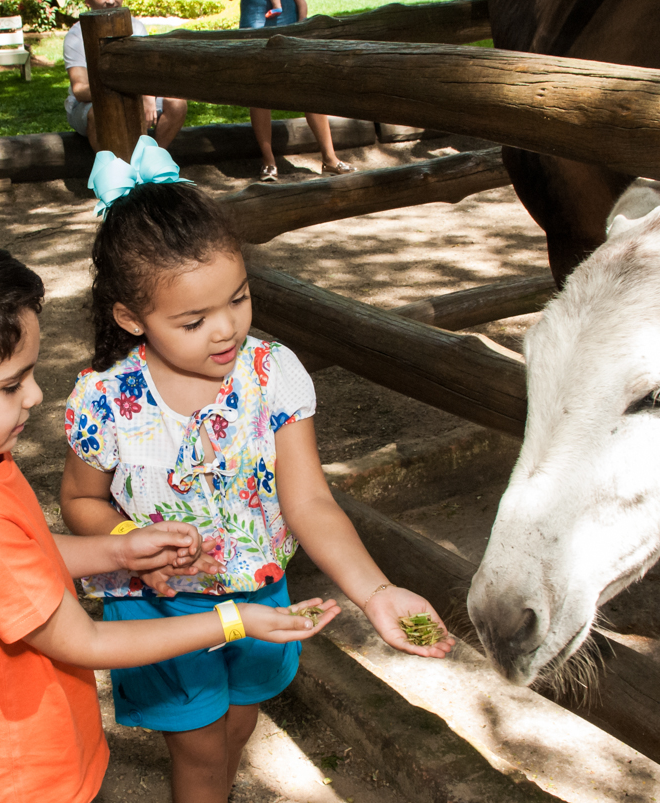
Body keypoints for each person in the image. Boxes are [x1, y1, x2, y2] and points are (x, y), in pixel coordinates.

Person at [0, 215, 340, 803]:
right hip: (14, 776)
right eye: (11, 385)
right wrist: (235, 621)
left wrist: (118, 548)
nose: (37, 396)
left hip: (23, 746)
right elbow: (85, 642)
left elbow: (25, 558)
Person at [63, 137, 454, 803]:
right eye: (193, 320)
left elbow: (310, 502)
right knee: (199, 755)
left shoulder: (273, 374)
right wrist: (129, 542)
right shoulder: (102, 399)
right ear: (131, 317)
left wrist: (376, 591)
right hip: (160, 609)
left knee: (236, 731)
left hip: (261, 600)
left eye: (239, 299)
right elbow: (80, 501)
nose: (227, 330)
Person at [241, 0, 356, 181]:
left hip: (289, 16)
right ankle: (268, 160)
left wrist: (302, 23)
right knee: (260, 88)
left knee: (308, 85)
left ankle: (329, 158)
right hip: (255, 13)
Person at [64, 0, 188, 150]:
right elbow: (80, 90)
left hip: (135, 93)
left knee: (176, 103)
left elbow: (146, 71)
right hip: (90, 101)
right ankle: (115, 169)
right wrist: (125, 92)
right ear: (87, 1)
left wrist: (147, 96)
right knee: (97, 115)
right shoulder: (75, 37)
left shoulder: (136, 27)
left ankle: (150, 160)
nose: (110, 1)